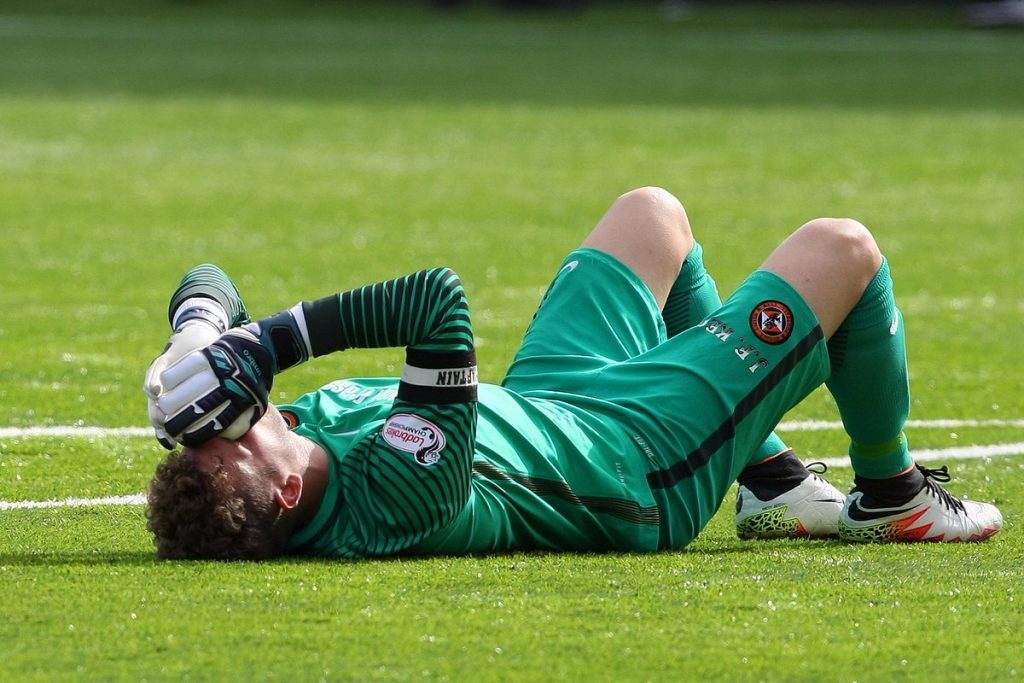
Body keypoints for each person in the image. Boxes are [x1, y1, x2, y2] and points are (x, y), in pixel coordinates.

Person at [143, 187, 1002, 560]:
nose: (234, 416)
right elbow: (437, 304)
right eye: (233, 438)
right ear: (286, 492)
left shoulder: (292, 448)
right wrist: (262, 347)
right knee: (843, 249)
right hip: (633, 464)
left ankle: (773, 484)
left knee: (651, 215)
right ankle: (894, 496)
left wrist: (199, 333)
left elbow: (208, 279)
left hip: (551, 402)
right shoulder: (391, 496)